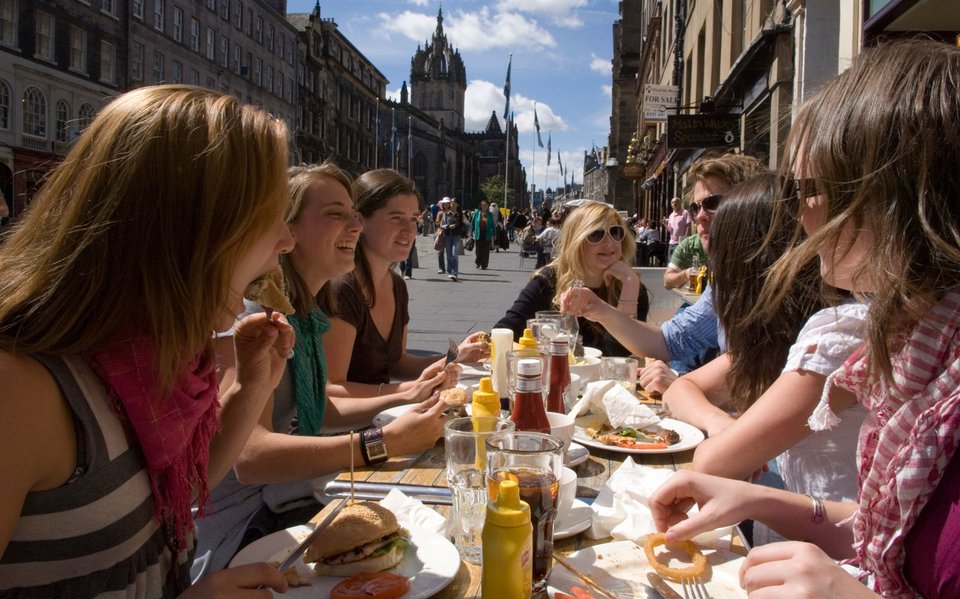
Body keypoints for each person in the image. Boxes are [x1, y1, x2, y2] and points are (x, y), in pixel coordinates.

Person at [649, 41, 960, 598]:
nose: (794, 213)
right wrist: (763, 500)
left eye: (805, 189)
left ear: (886, 196)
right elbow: (890, 531)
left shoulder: (861, 335)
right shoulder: (924, 344)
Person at [0, 85, 294, 596]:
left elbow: (170, 494)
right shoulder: (20, 390)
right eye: (269, 216)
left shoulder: (159, 350)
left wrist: (250, 390)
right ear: (195, 226)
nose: (287, 240)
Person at [193, 163, 446, 577]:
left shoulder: (307, 316)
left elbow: (320, 409)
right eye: (335, 214)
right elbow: (251, 458)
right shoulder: (252, 321)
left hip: (290, 498)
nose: (355, 226)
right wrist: (380, 441)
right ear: (287, 231)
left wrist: (408, 396)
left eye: (354, 215)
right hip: (245, 529)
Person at [660, 174, 867, 545]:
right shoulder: (781, 338)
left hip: (831, 564)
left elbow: (713, 464)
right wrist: (721, 424)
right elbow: (682, 387)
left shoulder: (839, 337)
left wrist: (728, 441)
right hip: (795, 547)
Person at [561, 153, 764, 389]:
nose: (699, 216)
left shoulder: (780, 279)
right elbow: (671, 340)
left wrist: (680, 384)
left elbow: (757, 375)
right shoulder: (728, 283)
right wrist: (598, 308)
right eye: (695, 207)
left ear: (752, 202)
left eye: (713, 203)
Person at [326, 169, 485, 398]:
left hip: (385, 418)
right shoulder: (342, 289)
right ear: (360, 220)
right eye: (396, 218)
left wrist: (456, 355)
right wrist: (408, 392)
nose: (410, 230)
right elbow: (332, 390)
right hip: (351, 430)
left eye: (413, 219)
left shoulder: (396, 285)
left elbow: (397, 364)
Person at [494, 202, 648, 356]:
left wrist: (629, 285)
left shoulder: (631, 287)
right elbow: (502, 333)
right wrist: (539, 355)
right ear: (577, 241)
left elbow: (620, 354)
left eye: (615, 232)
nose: (609, 242)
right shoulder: (549, 281)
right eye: (596, 234)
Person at [439, 196, 463, 280]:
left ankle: (454, 273)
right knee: (449, 255)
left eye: (454, 202)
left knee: (454, 255)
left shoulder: (460, 214)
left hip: (456, 236)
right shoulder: (446, 213)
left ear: (457, 205)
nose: (452, 204)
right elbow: (441, 225)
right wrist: (449, 226)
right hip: (447, 236)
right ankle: (450, 272)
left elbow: (467, 224)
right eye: (451, 202)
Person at [664, 196, 692, 265]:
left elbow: (688, 226)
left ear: (680, 203)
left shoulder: (685, 212)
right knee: (671, 263)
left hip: (681, 242)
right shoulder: (671, 215)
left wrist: (685, 240)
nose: (674, 203)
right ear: (671, 204)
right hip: (672, 243)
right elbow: (671, 230)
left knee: (680, 263)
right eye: (673, 202)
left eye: (676, 202)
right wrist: (665, 224)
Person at [472, 199, 496, 270]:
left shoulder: (490, 215)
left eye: (485, 205)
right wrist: (470, 232)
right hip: (478, 233)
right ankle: (478, 262)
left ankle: (484, 265)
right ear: (480, 206)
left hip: (487, 233)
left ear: (488, 206)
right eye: (483, 205)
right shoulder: (476, 213)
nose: (484, 206)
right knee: (478, 250)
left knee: (486, 250)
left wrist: (494, 234)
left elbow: (493, 225)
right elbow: (472, 223)